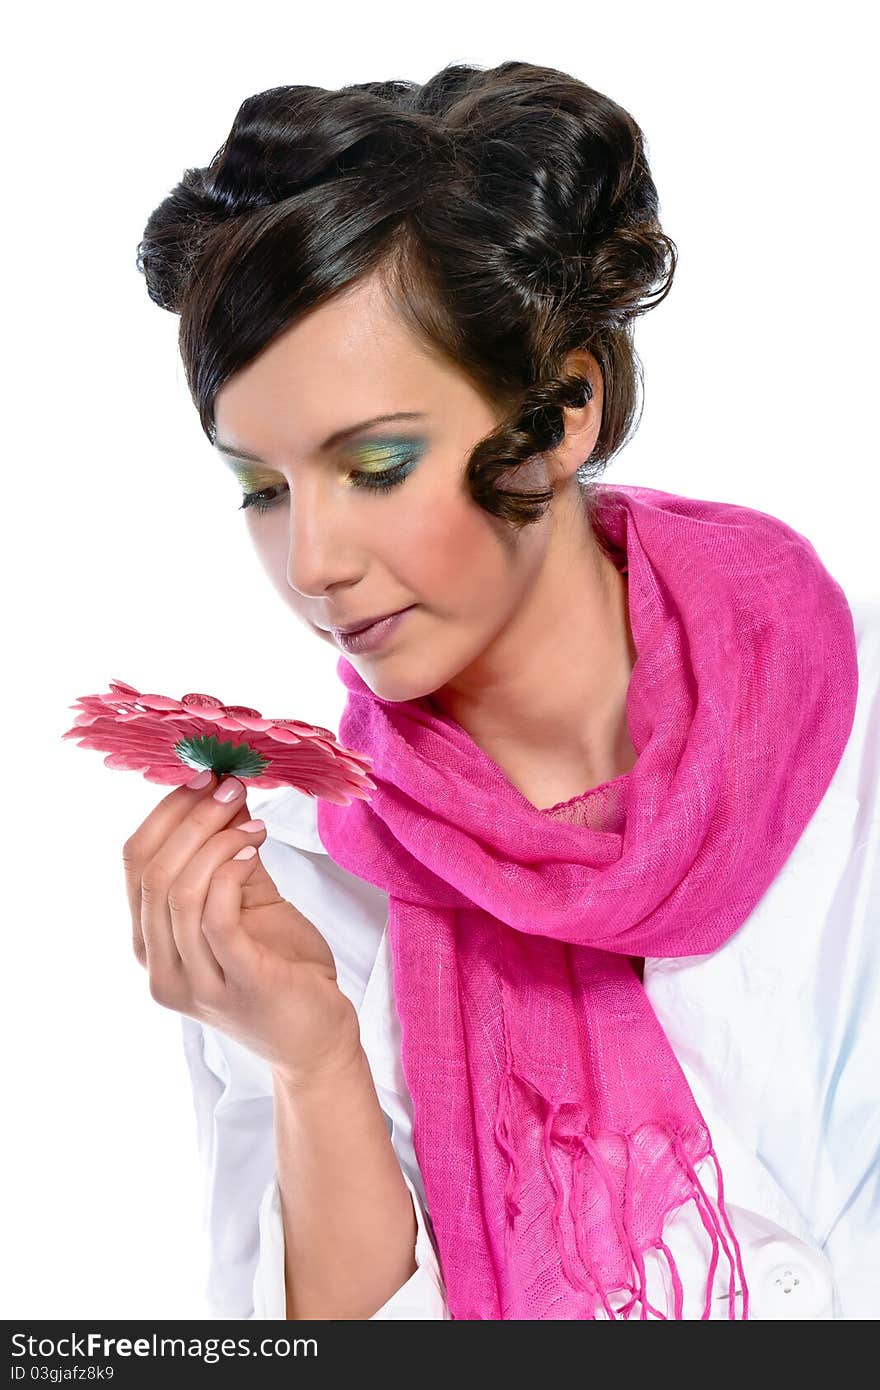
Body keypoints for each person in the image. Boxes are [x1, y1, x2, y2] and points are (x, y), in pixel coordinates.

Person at [127, 60, 879, 1319]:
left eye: (376, 463)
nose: (312, 562)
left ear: (565, 406)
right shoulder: (301, 878)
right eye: (262, 488)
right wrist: (311, 1061)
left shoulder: (850, 721)